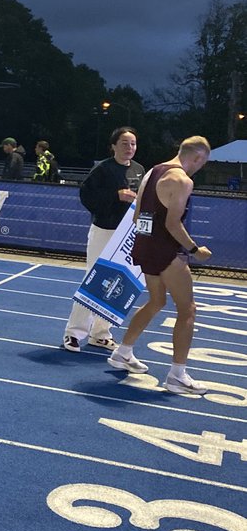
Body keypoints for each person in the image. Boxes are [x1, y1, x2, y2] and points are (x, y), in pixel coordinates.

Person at [108, 136, 212, 393]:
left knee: (157, 301)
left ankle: (123, 352)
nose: (201, 167)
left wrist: (150, 242)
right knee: (188, 310)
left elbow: (136, 216)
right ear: (197, 157)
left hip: (144, 246)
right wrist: (195, 250)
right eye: (203, 162)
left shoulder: (153, 171)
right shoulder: (182, 180)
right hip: (166, 252)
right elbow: (172, 224)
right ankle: (177, 375)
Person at [62, 126, 144, 352]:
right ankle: (74, 333)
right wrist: (115, 196)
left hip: (126, 235)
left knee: (117, 283)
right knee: (93, 279)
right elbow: (86, 196)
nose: (130, 148)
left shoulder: (139, 170)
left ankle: (101, 333)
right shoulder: (102, 169)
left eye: (133, 144)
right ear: (114, 146)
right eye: (125, 143)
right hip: (104, 230)